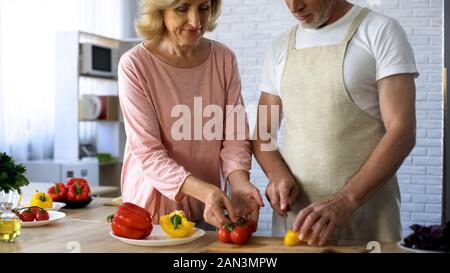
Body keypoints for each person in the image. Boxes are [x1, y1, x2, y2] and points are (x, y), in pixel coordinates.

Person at [253, 0, 418, 245]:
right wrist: (276, 175)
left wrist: (346, 200)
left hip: (367, 220)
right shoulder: (280, 47)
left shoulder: (379, 31)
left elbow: (402, 131)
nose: (294, 6)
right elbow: (263, 134)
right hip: (299, 222)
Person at [118, 0, 263, 230]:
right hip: (151, 215)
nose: (196, 21)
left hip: (208, 209)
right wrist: (207, 191)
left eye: (203, 8)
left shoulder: (224, 59)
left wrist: (239, 184)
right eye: (182, 8)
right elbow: (148, 153)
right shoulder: (135, 65)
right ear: (160, 10)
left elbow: (235, 137)